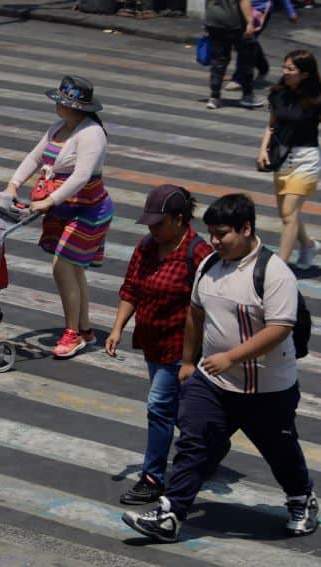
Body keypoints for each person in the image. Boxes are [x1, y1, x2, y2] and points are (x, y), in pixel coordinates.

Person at [122, 193, 318, 542]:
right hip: (214, 383)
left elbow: (280, 328)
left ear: (246, 228)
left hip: (267, 390)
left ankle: (301, 498)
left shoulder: (274, 273)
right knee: (193, 443)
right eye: (211, 233)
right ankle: (171, 513)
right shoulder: (209, 266)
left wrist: (231, 357)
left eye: (223, 233)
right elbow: (195, 314)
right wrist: (187, 361)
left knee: (280, 452)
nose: (214, 241)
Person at [106, 185, 212, 505]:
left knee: (158, 407)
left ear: (179, 220)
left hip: (182, 347)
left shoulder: (198, 254)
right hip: (152, 342)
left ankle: (153, 477)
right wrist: (117, 328)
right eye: (149, 224)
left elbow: (211, 305)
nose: (152, 229)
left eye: (158, 223)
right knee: (177, 410)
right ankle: (211, 444)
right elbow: (132, 289)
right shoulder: (147, 247)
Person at [0, 75, 113, 358]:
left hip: (88, 209)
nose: (57, 106)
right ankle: (84, 329)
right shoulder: (58, 128)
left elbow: (81, 176)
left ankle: (72, 333)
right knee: (73, 269)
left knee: (62, 268)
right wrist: (13, 185)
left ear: (74, 106)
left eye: (62, 102)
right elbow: (34, 158)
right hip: (62, 207)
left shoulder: (91, 134)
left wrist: (48, 200)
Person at [256, 49, 321, 269]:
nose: (285, 72)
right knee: (288, 214)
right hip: (281, 157)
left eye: (290, 69)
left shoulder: (315, 99)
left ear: (304, 74)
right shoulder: (278, 94)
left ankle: (280, 266)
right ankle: (308, 244)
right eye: (284, 67)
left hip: (306, 158)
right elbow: (272, 124)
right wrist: (263, 150)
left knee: (288, 212)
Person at [224, 0, 297, 91]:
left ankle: (239, 78)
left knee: (245, 42)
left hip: (258, 11)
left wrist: (291, 12)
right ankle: (263, 67)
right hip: (240, 8)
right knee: (249, 42)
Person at [205, 0, 264, 109]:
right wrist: (250, 22)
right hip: (235, 22)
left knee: (219, 59)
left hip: (213, 20)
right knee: (246, 58)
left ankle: (214, 97)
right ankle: (247, 96)